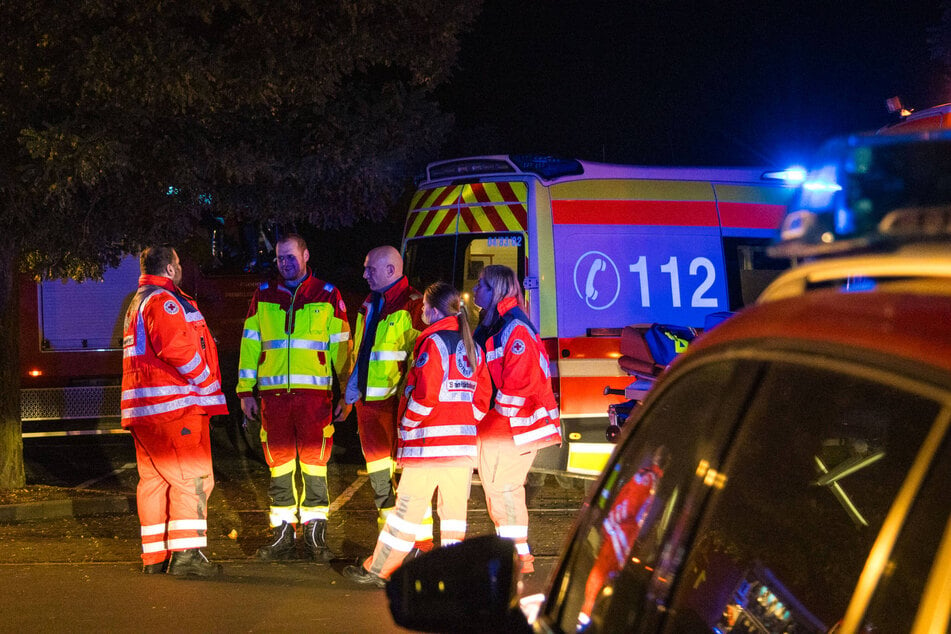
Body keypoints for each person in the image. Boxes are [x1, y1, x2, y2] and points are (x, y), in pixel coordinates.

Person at [343, 282, 491, 587]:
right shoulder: (472, 345)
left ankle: (379, 569)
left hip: (428, 445)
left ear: (434, 310)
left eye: (424, 306)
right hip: (461, 447)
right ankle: (453, 576)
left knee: (405, 513)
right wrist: (464, 421)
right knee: (453, 517)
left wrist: (408, 425)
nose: (421, 311)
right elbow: (482, 398)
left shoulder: (432, 343)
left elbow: (424, 395)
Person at [237, 234, 351, 561]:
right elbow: (250, 345)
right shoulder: (263, 295)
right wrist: (245, 391)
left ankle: (316, 540)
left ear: (305, 255)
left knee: (315, 466)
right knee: (279, 466)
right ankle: (283, 537)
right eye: (279, 258)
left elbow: (342, 347)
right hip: (274, 400)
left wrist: (348, 391)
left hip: (315, 401)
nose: (284, 263)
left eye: (290, 257)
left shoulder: (327, 295)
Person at [120, 246, 228, 576]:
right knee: (191, 480)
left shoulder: (139, 300)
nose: (181, 268)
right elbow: (177, 348)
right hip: (174, 409)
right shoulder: (165, 301)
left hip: (145, 412)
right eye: (179, 263)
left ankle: (155, 557)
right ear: (169, 268)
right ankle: (187, 556)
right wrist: (208, 382)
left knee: (154, 482)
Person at [472, 265, 562, 574]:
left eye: (481, 285)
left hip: (514, 427)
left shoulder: (513, 327)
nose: (475, 290)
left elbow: (519, 385)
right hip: (503, 426)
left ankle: (517, 559)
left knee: (504, 491)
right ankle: (512, 554)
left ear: (495, 289)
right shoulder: (494, 326)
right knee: (499, 491)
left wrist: (491, 420)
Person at [342, 246, 426, 534]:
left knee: (408, 480)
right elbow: (361, 353)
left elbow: (424, 359)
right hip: (369, 405)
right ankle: (389, 542)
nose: (364, 274)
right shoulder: (369, 303)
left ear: (391, 270)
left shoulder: (414, 306)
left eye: (370, 269)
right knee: (380, 480)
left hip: (396, 407)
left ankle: (419, 544)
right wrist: (351, 392)